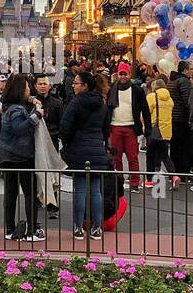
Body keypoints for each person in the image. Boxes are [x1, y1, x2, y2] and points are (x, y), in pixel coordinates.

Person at [0, 73, 43, 242]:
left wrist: (31, 101)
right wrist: (36, 115)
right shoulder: (16, 109)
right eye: (28, 87)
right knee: (29, 192)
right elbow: (19, 128)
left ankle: (10, 228)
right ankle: (31, 230)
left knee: (11, 192)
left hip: (6, 155)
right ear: (21, 90)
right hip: (20, 156)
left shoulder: (8, 105)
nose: (30, 89)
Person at [59, 69, 109, 238]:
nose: (73, 86)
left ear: (85, 86)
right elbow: (105, 128)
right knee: (95, 190)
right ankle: (97, 227)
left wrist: (67, 143)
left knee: (79, 189)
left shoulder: (76, 103)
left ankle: (78, 227)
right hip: (96, 148)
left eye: (76, 83)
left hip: (79, 148)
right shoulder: (101, 103)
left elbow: (65, 127)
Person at [106, 62, 150, 191]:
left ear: (129, 74)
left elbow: (145, 110)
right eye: (121, 74)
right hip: (115, 126)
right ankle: (118, 182)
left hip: (131, 127)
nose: (123, 76)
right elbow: (106, 108)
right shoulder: (111, 89)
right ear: (117, 74)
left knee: (133, 157)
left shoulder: (137, 90)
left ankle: (134, 183)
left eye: (125, 74)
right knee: (116, 158)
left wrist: (147, 128)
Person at [145, 75, 174, 182]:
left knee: (150, 155)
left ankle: (149, 179)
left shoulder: (151, 96)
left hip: (154, 129)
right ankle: (174, 176)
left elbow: (146, 113)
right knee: (165, 156)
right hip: (166, 131)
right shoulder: (169, 98)